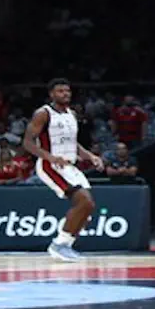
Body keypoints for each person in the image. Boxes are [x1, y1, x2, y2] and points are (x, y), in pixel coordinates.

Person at [22, 78, 106, 263]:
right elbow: (27, 143)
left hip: (69, 165)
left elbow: (72, 143)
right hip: (50, 165)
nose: (65, 94)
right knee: (83, 200)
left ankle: (66, 244)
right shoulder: (43, 113)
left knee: (88, 206)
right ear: (52, 94)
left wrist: (90, 156)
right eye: (60, 91)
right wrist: (51, 157)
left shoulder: (71, 114)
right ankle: (58, 244)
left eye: (67, 91)